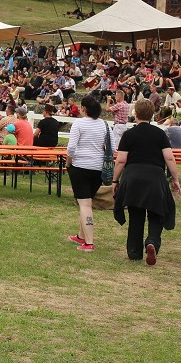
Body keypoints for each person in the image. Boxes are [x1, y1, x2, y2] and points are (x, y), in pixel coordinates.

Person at [111, 99, 181, 265]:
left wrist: (115, 180)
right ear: (152, 115)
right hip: (155, 178)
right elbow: (169, 157)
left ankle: (134, 253)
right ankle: (152, 243)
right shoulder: (160, 134)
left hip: (133, 177)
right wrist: (175, 179)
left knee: (136, 216)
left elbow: (121, 160)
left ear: (135, 114)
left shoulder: (129, 134)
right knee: (157, 214)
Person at [65, 96, 108, 252]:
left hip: (80, 166)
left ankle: (89, 243)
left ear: (83, 108)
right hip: (97, 168)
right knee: (86, 201)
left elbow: (71, 148)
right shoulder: (104, 125)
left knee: (84, 204)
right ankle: (81, 236)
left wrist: (68, 162)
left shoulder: (79, 123)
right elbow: (112, 146)